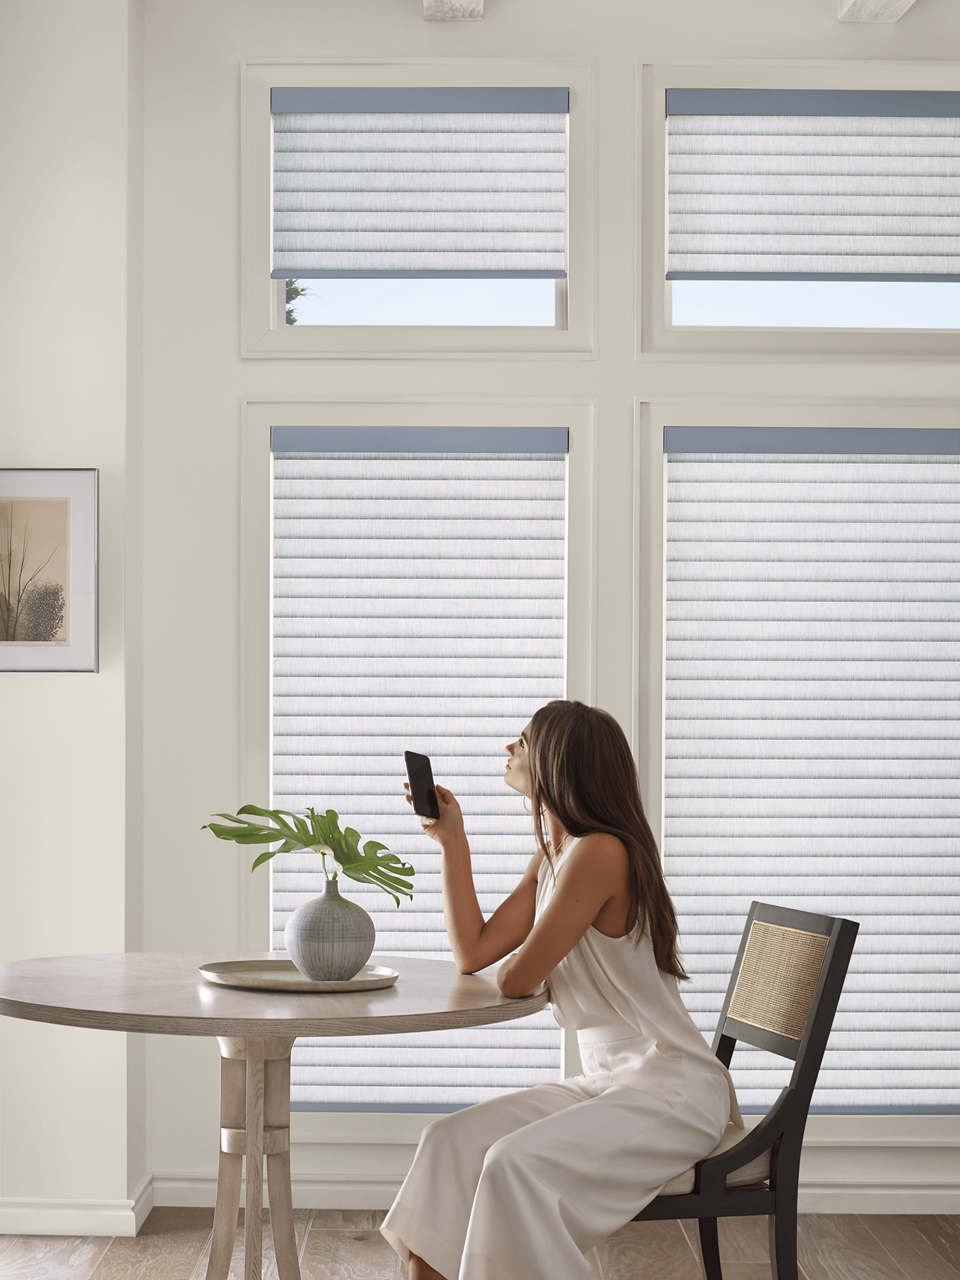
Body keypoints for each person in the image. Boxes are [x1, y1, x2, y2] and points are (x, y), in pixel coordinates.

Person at [381, 700, 742, 1280]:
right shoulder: (553, 858)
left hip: (671, 1089)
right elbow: (473, 953)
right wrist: (453, 843)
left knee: (512, 1164)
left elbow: (516, 978)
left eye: (522, 741)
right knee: (448, 1141)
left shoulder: (601, 852)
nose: (508, 749)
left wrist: (525, 960)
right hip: (606, 1082)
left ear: (558, 762)